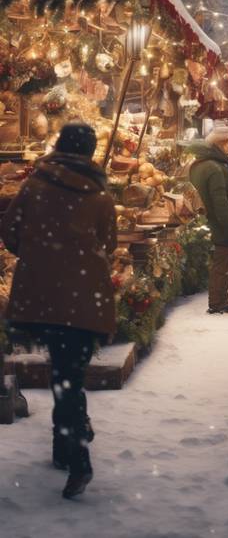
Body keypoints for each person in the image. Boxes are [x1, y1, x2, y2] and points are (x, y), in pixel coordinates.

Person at [1, 123, 116, 500]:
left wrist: (40, 255)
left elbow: (11, 233)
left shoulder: (34, 186)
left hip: (42, 295)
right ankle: (72, 449)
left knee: (63, 373)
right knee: (70, 374)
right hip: (86, 296)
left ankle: (71, 450)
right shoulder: (99, 194)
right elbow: (109, 242)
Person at [189, 127, 228, 314]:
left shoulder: (199, 164)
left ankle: (220, 300)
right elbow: (221, 202)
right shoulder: (216, 168)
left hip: (205, 223)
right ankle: (219, 302)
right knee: (222, 265)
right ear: (222, 143)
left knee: (219, 265)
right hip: (217, 225)